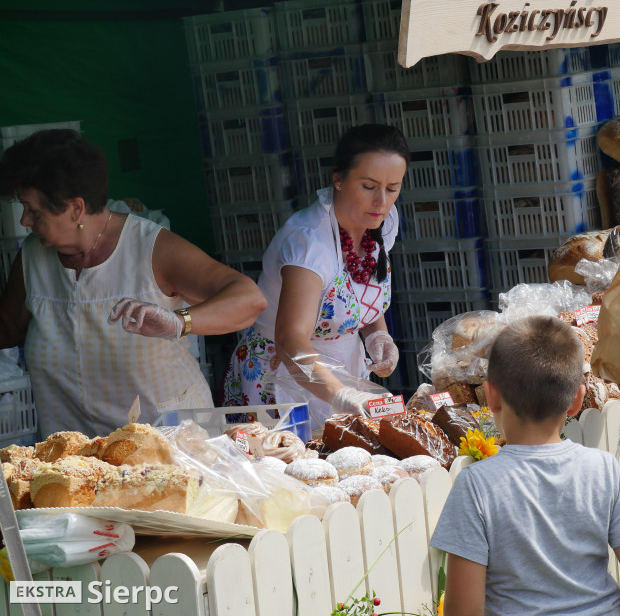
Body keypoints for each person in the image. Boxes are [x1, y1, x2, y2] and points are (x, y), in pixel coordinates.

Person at [0, 129, 267, 437]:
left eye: (34, 210)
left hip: (171, 448)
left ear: (76, 208)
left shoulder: (152, 249)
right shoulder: (33, 255)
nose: (24, 221)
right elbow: (6, 329)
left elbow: (249, 299)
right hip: (80, 460)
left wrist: (179, 322)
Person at [431, 315, 620, 616]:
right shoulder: (602, 469)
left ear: (491, 396)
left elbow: (464, 613)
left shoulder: (476, 485)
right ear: (577, 400)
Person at [222, 123, 408, 428]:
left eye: (392, 189)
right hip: (283, 374)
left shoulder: (383, 222)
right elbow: (290, 340)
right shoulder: (309, 244)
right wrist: (340, 393)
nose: (381, 202)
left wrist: (376, 333)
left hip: (342, 370)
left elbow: (360, 286)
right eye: (368, 186)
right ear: (338, 178)